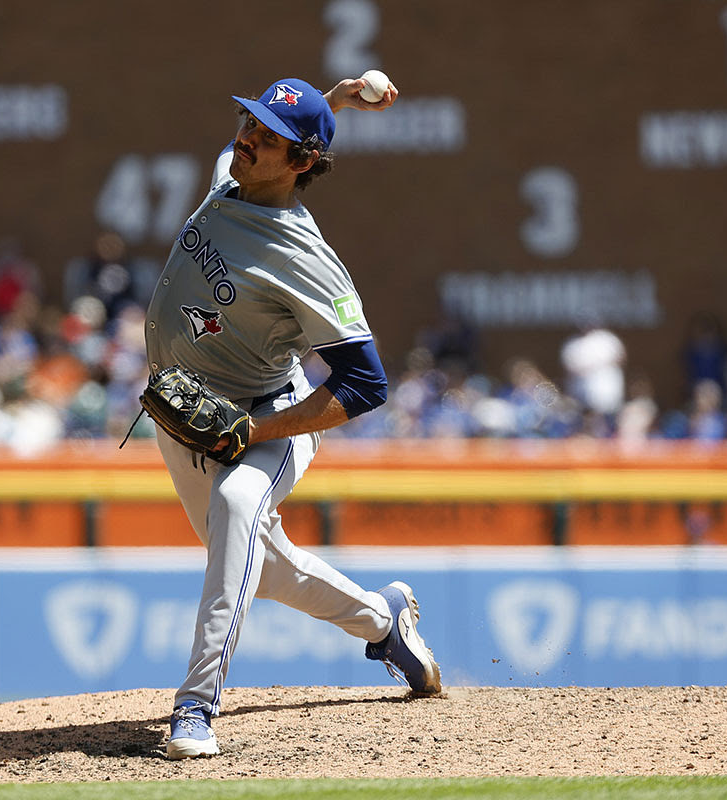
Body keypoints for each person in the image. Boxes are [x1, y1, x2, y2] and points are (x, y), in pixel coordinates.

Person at [142, 75, 441, 760]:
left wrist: (255, 434)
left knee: (242, 505)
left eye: (266, 138)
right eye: (248, 125)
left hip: (263, 413)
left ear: (303, 162)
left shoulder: (305, 261)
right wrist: (330, 102)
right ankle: (382, 619)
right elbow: (257, 141)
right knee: (260, 566)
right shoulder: (231, 178)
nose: (246, 141)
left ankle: (195, 708)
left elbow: (366, 383)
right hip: (184, 414)